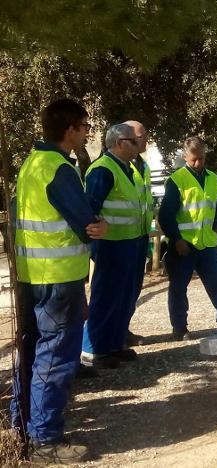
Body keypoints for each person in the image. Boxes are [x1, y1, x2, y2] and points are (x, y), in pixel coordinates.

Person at [11, 98, 108, 463]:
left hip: (32, 276)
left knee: (32, 352)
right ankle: (45, 441)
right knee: (55, 358)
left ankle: (24, 426)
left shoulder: (32, 163)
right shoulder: (59, 168)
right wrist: (101, 225)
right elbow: (88, 224)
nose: (86, 133)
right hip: (59, 279)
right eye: (84, 127)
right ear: (69, 129)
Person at [158, 137, 217, 339]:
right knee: (178, 288)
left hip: (208, 244)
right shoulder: (177, 180)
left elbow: (216, 206)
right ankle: (180, 327)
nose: (198, 163)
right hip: (184, 245)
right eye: (193, 160)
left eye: (201, 159)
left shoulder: (211, 178)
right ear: (185, 157)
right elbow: (165, 215)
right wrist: (176, 239)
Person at [82, 123, 147, 368]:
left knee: (126, 296)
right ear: (120, 143)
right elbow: (90, 208)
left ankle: (114, 343)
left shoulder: (129, 169)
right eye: (134, 142)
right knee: (106, 295)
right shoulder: (103, 170)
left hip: (133, 241)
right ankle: (92, 349)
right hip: (111, 245)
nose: (139, 146)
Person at [124, 120, 153, 347]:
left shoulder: (143, 166)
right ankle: (95, 344)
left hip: (139, 237)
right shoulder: (118, 166)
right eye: (142, 135)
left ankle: (122, 329)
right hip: (119, 240)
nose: (146, 139)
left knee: (132, 289)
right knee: (115, 292)